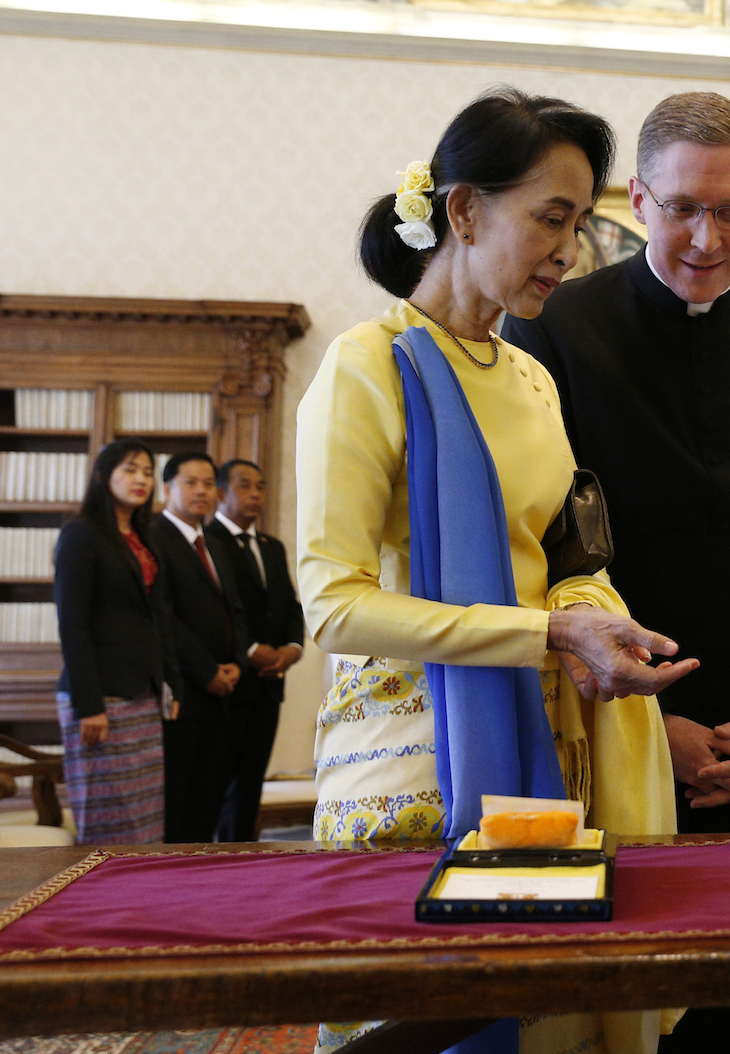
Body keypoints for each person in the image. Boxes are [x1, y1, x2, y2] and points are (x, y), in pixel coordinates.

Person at [297, 87, 696, 1054]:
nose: (569, 249)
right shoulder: (369, 366)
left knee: (544, 1014)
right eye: (550, 219)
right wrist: (550, 634)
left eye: (579, 222)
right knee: (424, 1026)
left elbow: (555, 555)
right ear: (465, 211)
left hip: (535, 731)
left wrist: (585, 620)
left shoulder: (528, 375)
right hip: (407, 757)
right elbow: (334, 605)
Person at [503, 91, 730, 1054]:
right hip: (620, 725)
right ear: (640, 200)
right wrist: (652, 723)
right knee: (640, 1004)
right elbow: (548, 554)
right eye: (684, 206)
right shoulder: (557, 331)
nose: (706, 236)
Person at [53, 438, 180, 844]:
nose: (140, 479)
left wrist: (168, 683)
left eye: (147, 471)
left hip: (141, 692)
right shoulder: (81, 534)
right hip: (100, 697)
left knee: (143, 814)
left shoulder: (146, 538)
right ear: (104, 475)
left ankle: (141, 896)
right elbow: (73, 624)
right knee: (105, 812)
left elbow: (158, 618)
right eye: (129, 469)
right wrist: (89, 705)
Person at [149, 451, 248, 844]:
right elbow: (164, 617)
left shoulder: (215, 545)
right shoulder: (154, 539)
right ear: (168, 488)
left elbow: (236, 611)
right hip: (184, 691)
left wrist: (237, 662)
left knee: (209, 801)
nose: (202, 491)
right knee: (179, 803)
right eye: (191, 482)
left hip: (223, 693)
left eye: (209, 483)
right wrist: (207, 671)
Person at [206, 458, 304, 842]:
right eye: (244, 486)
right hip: (227, 682)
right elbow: (217, 609)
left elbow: (290, 606)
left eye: (260, 487)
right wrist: (249, 650)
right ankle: (217, 862)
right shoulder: (208, 541)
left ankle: (244, 855)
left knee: (251, 783)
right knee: (219, 784)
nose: (255, 494)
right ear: (221, 494)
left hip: (269, 683)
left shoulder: (271, 546)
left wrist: (291, 649)